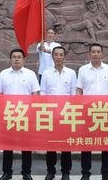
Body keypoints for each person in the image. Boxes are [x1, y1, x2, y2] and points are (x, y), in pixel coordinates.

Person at [0, 48, 41, 180]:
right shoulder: (4, 74)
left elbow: (35, 94)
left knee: (26, 145)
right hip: (8, 114)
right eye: (14, 57)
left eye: (19, 57)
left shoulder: (30, 74)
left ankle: (26, 172)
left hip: (25, 114)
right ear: (10, 59)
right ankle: (7, 172)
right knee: (7, 145)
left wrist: (33, 113)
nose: (16, 59)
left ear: (24, 59)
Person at [76, 43, 108, 180]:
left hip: (105, 110)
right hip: (88, 110)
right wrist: (79, 107)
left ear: (102, 54)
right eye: (93, 52)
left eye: (98, 52)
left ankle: (106, 173)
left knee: (106, 143)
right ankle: (85, 173)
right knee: (86, 143)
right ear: (89, 54)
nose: (95, 54)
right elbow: (79, 90)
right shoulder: (83, 70)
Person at [40, 46, 77, 180]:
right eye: (56, 55)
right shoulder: (46, 73)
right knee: (51, 144)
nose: (58, 57)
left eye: (61, 55)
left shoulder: (71, 73)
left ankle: (66, 172)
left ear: (64, 56)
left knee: (66, 144)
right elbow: (43, 93)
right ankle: (51, 171)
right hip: (51, 114)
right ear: (52, 57)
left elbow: (73, 93)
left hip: (66, 114)